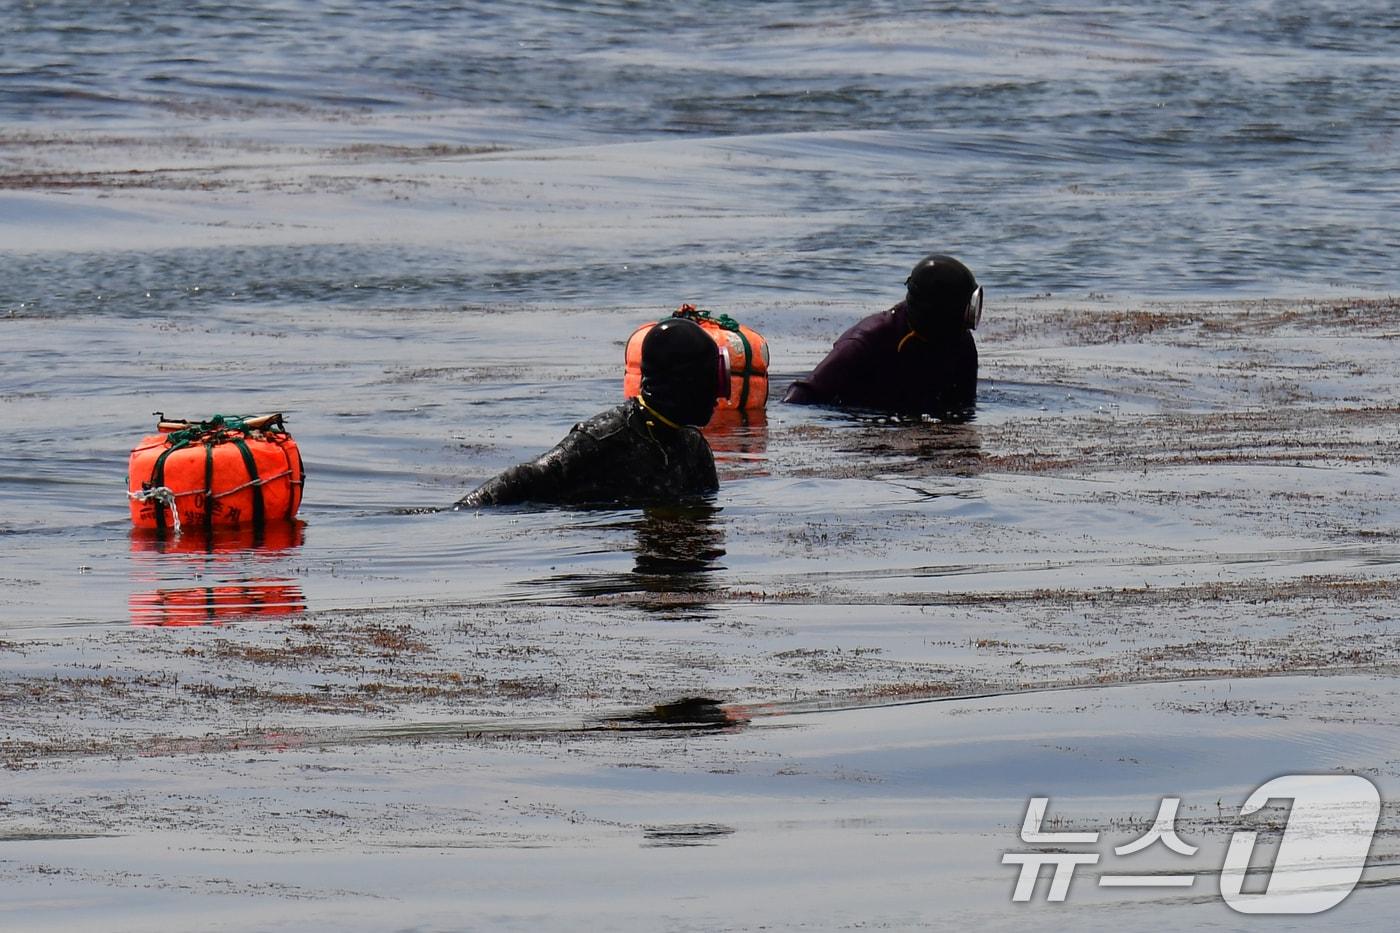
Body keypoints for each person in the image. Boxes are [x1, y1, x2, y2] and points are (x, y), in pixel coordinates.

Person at [455, 317, 725, 507]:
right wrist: (457, 512)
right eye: (711, 381)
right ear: (682, 383)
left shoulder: (694, 449)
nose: (719, 395)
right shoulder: (602, 439)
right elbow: (527, 477)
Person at [784, 254, 982, 417]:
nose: (967, 325)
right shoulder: (865, 341)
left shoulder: (961, 344)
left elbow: (965, 408)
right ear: (941, 312)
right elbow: (802, 395)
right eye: (965, 312)